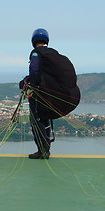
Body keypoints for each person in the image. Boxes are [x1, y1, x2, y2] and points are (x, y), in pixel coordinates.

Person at [19, 28, 80, 159]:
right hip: (52, 97)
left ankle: (42, 151)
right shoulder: (53, 54)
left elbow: (34, 71)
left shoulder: (36, 53)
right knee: (44, 119)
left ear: (33, 41)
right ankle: (46, 149)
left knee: (37, 120)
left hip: (40, 96)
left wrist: (31, 86)